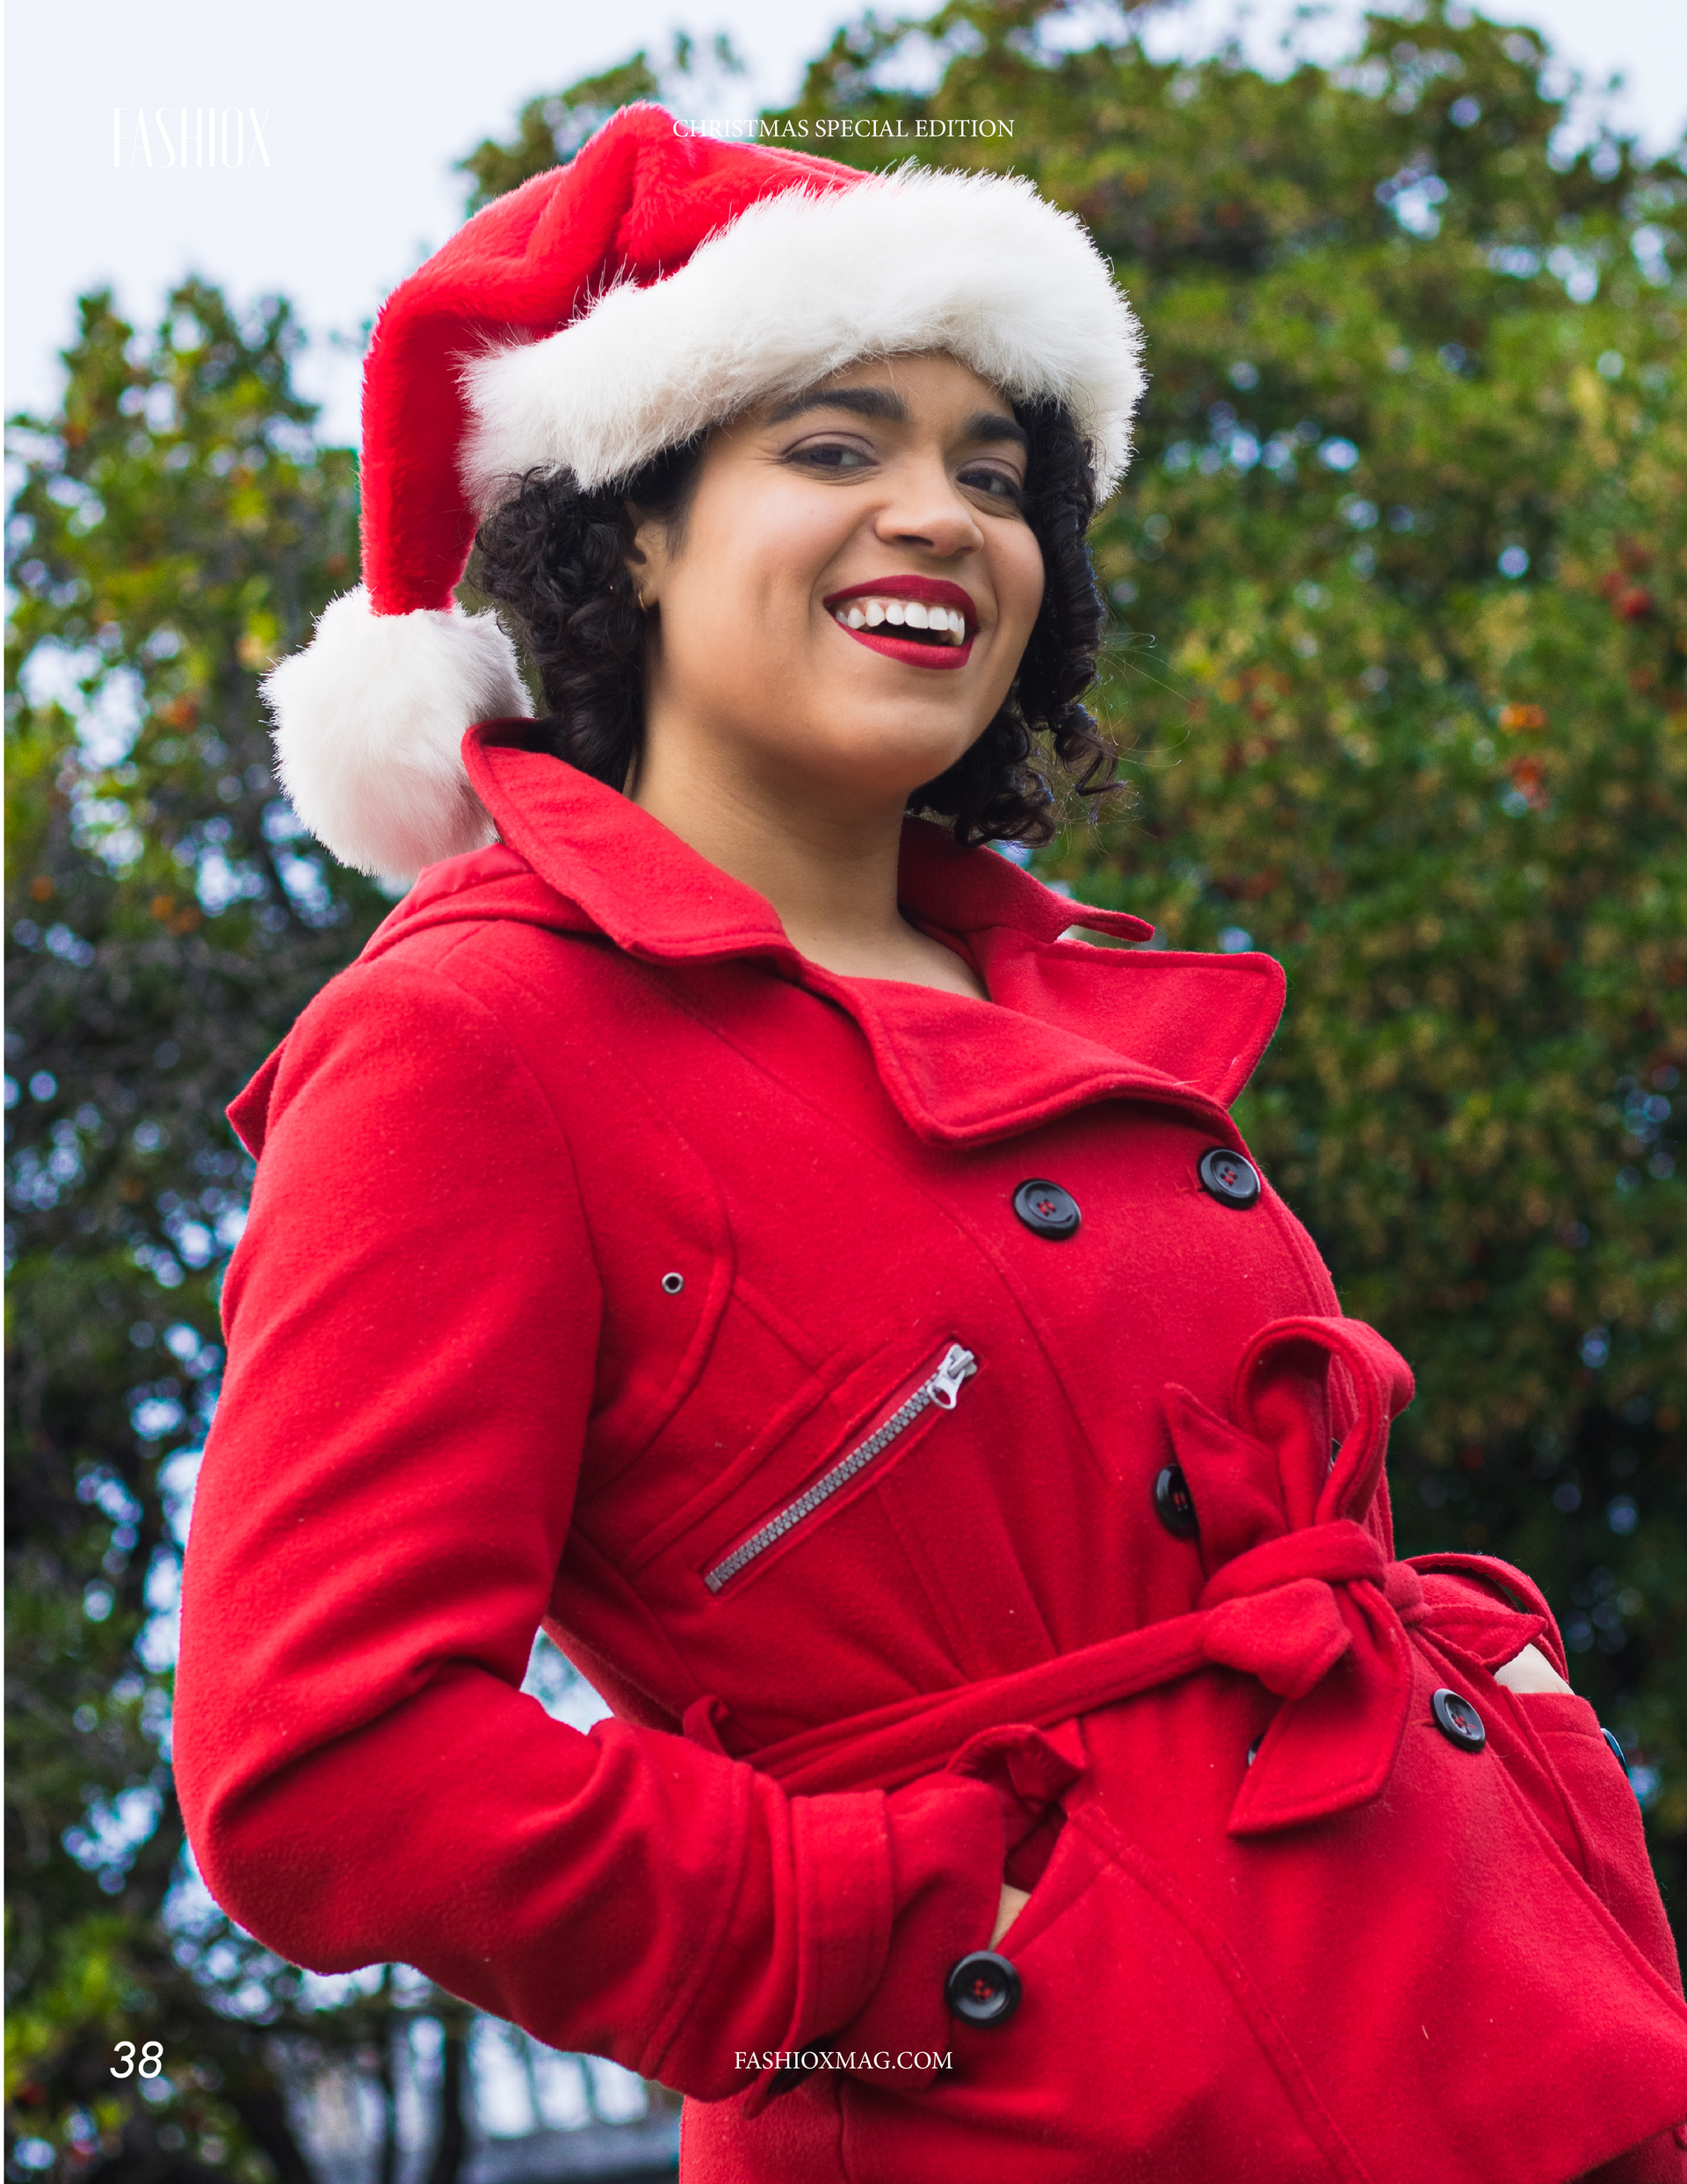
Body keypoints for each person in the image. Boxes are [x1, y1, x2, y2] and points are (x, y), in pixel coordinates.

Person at [174, 106, 1687, 2183]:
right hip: (1045, 2124)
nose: (942, 516)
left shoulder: (1068, 991)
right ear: (623, 528)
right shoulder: (472, 1039)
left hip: (1507, 2048)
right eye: (834, 446)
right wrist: (916, 1948)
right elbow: (326, 1764)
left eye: (996, 471)